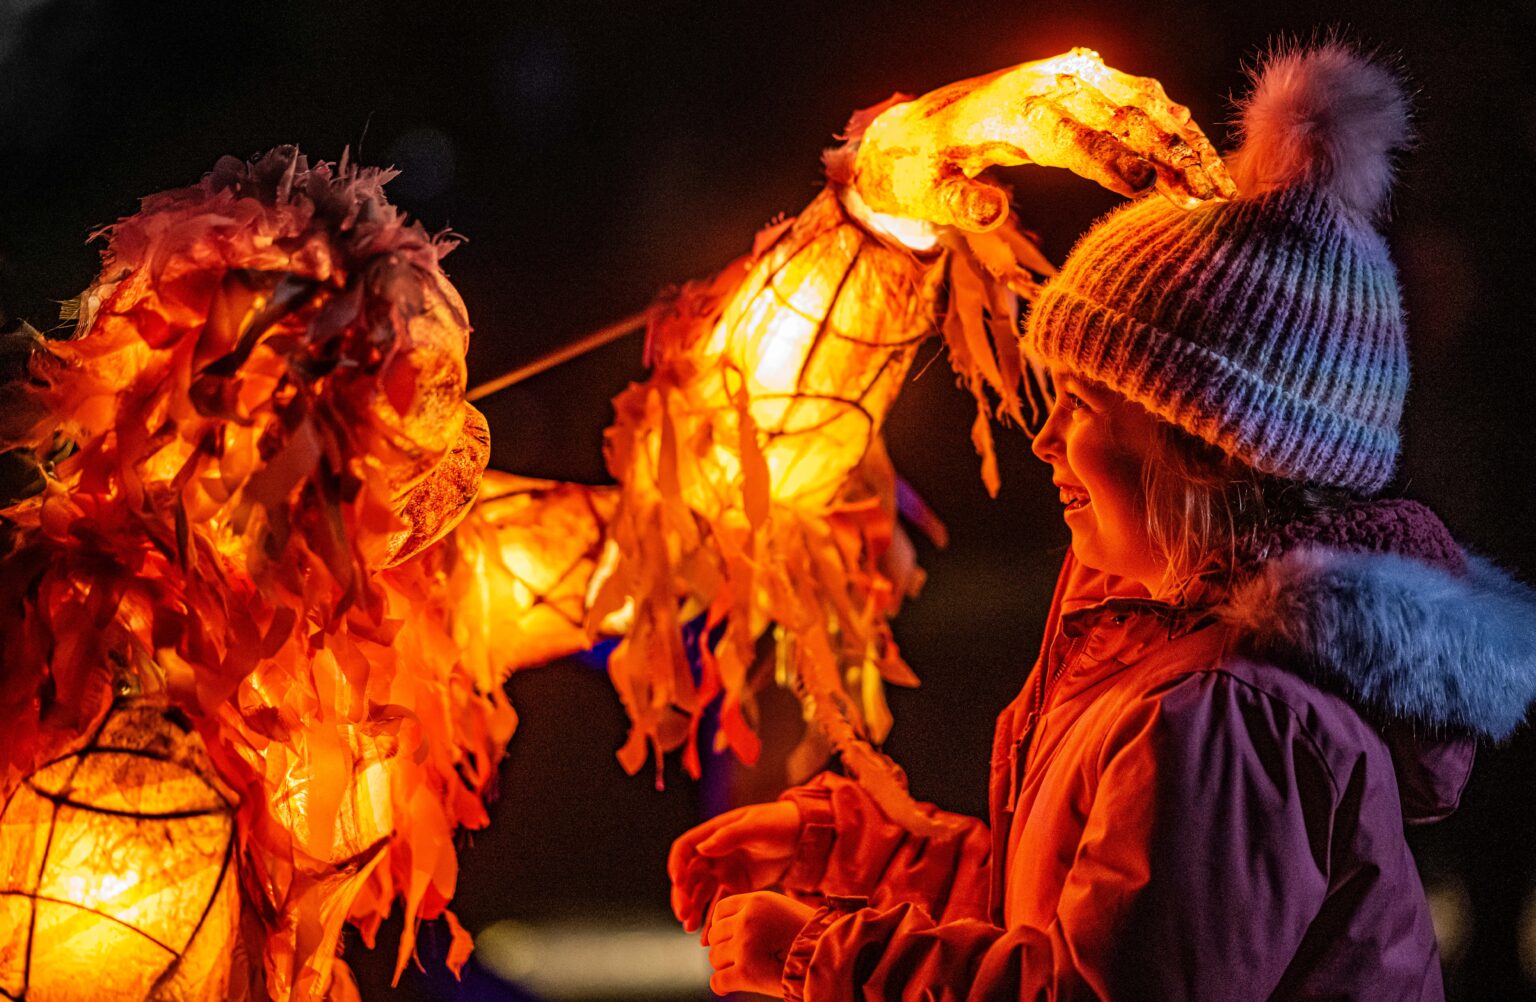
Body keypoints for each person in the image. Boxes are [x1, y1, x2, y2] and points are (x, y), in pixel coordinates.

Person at [667, 42, 1536, 1000]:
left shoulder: (1230, 714)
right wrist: (860, 854)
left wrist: (820, 959)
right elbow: (1088, 912)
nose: (1044, 439)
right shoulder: (1168, 661)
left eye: (1083, 406)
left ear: (1207, 448)